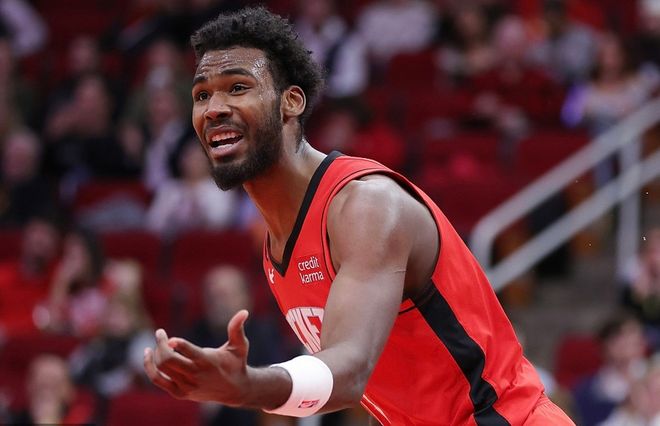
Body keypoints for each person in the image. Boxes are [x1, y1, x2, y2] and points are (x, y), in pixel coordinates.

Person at [143, 7, 575, 425]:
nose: (213, 108)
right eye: (202, 95)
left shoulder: (366, 206)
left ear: (290, 102)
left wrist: (247, 387)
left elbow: (348, 372)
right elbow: (380, 391)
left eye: (237, 87)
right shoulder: (277, 242)